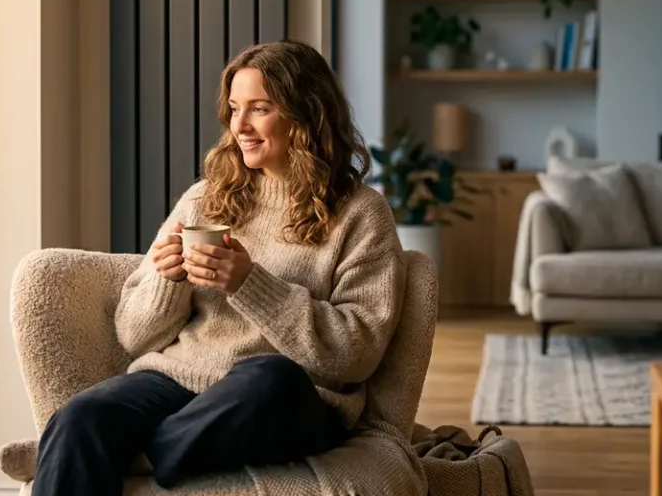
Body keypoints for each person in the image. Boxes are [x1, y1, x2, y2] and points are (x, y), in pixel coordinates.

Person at [32, 40, 406, 494]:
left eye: (260, 109)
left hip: (289, 398)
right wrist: (167, 283)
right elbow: (134, 336)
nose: (240, 126)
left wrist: (250, 284)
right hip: (180, 382)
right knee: (79, 419)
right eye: (233, 109)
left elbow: (357, 353)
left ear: (306, 114)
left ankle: (140, 453)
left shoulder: (361, 214)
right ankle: (123, 445)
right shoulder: (205, 198)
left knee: (270, 376)